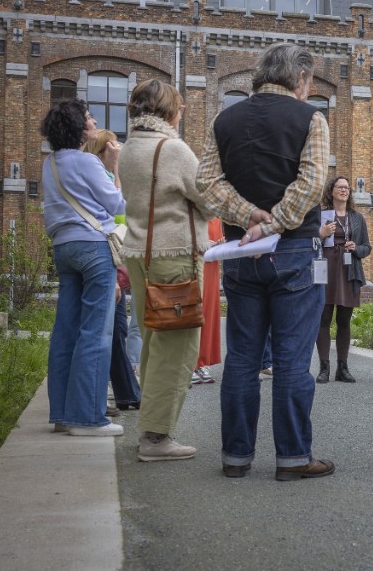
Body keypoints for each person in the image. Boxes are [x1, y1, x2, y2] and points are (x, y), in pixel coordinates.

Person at [197, 43, 334, 481]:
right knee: (293, 359)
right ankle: (293, 458)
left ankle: (236, 457)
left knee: (241, 357)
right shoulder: (310, 118)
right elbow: (312, 184)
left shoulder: (225, 120)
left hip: (240, 252)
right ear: (302, 80)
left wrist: (247, 217)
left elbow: (207, 183)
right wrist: (274, 223)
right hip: (295, 249)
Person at [120, 79, 214, 462]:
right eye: (179, 106)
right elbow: (209, 201)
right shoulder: (172, 149)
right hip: (173, 254)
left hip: (139, 253)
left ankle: (150, 427)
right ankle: (156, 438)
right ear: (168, 111)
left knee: (154, 341)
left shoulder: (129, 149)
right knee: (177, 346)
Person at [40, 99, 127, 437]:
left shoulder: (50, 163)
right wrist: (116, 166)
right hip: (93, 247)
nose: (93, 122)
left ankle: (63, 414)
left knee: (65, 331)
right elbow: (116, 203)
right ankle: (88, 418)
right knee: (96, 332)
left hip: (63, 248)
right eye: (89, 118)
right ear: (78, 128)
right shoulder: (88, 161)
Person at [82, 129, 141, 414]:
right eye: (113, 147)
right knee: (110, 329)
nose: (119, 149)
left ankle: (127, 393)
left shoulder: (100, 175)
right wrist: (118, 168)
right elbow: (118, 214)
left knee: (117, 329)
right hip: (108, 259)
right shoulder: (101, 177)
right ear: (102, 151)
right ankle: (110, 394)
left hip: (113, 260)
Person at [316, 175, 372, 384]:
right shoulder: (321, 215)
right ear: (331, 191)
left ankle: (343, 367)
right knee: (323, 318)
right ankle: (324, 368)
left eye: (346, 188)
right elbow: (307, 242)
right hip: (326, 269)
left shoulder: (357, 218)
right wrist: (321, 234)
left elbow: (367, 247)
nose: (343, 190)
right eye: (339, 187)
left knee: (344, 321)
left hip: (349, 269)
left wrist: (356, 248)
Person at [192, 217, 225, 386]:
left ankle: (202, 361)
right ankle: (190, 363)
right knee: (193, 310)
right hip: (192, 260)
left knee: (208, 311)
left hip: (211, 262)